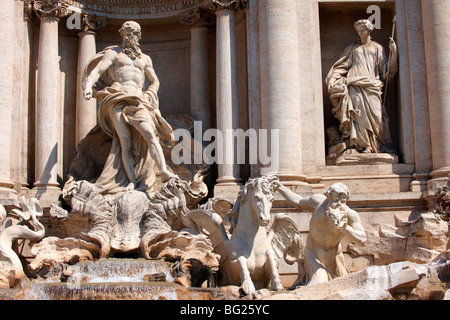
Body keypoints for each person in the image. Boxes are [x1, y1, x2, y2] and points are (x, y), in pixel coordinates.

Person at [83, 21, 176, 193]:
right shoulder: (114, 54)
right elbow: (97, 71)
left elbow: (155, 81)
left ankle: (163, 171)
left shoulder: (145, 59)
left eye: (133, 33)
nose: (130, 36)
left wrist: (150, 94)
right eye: (127, 33)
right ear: (122, 34)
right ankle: (132, 181)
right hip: (117, 98)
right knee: (124, 140)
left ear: (138, 36)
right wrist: (89, 86)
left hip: (138, 99)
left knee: (149, 133)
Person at [273, 181, 367, 286]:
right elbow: (298, 201)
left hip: (335, 258)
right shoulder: (317, 202)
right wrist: (280, 187)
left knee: (345, 287)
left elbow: (362, 240)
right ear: (328, 198)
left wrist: (345, 228)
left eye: (343, 201)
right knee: (319, 283)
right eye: (336, 200)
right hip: (314, 255)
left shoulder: (350, 215)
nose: (339, 204)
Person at [325, 19, 398, 154]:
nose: (361, 33)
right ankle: (363, 146)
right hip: (354, 85)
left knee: (377, 115)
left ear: (369, 31)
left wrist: (393, 53)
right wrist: (335, 78)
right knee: (359, 116)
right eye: (359, 31)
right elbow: (342, 66)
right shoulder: (353, 48)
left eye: (363, 30)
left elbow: (387, 71)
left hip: (372, 85)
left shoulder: (377, 48)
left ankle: (377, 145)